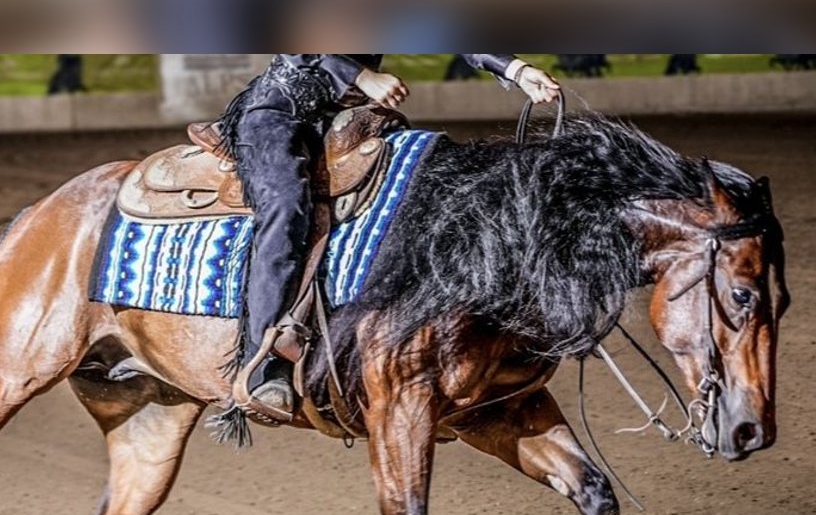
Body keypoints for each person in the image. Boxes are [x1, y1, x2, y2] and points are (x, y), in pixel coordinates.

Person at [219, 54, 561, 422]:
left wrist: (516, 70)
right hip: (280, 112)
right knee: (286, 207)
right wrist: (362, 76)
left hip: (347, 120)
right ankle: (263, 362)